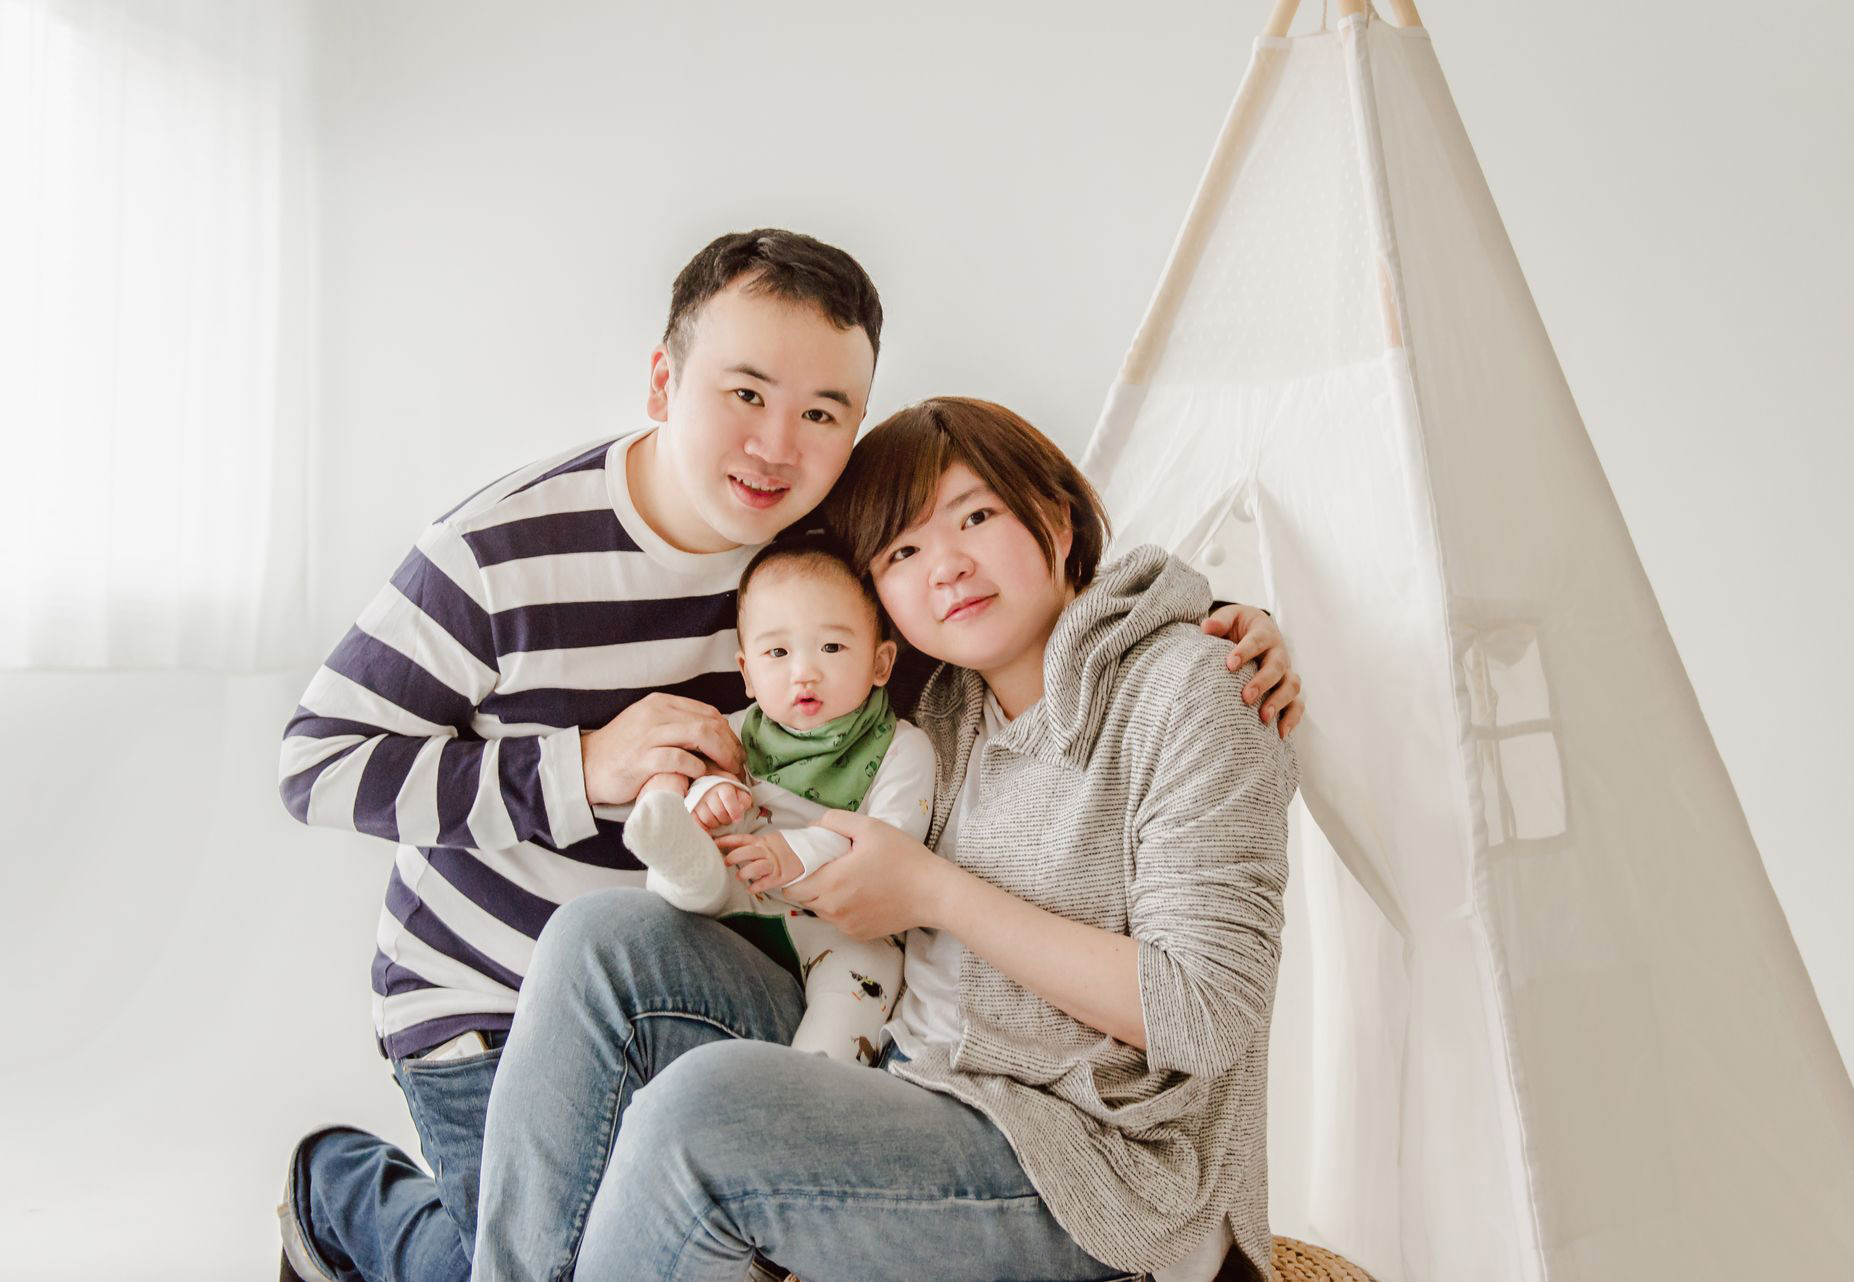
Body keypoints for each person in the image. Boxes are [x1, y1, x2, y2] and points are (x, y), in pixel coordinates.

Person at [273, 231, 1303, 1282]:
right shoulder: (500, 553)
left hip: (1032, 1124)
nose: (776, 446)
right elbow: (314, 763)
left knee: (687, 1126)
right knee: (590, 968)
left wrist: (1214, 624)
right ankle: (350, 1191)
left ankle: (374, 1198)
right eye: (745, 393)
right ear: (664, 382)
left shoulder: (830, 559)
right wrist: (582, 766)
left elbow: (1077, 644)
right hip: (487, 997)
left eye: (821, 413)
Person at [471, 397, 1299, 1282]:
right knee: (599, 942)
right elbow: (796, 625)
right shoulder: (940, 699)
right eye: (902, 551)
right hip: (905, 1068)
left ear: (1057, 521)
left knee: (703, 1117)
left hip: (1097, 1169)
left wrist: (935, 892)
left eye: (976, 517)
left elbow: (1204, 1012)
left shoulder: (1193, 692)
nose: (946, 567)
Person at [628, 532, 934, 1064]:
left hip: (841, 923)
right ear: (747, 673)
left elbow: (893, 846)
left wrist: (795, 853)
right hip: (738, 896)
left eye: (832, 647)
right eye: (778, 652)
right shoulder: (733, 734)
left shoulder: (902, 747)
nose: (804, 672)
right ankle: (682, 865)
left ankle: (809, 1081)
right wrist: (712, 795)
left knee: (863, 982)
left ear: (880, 663)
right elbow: (706, 785)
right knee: (694, 845)